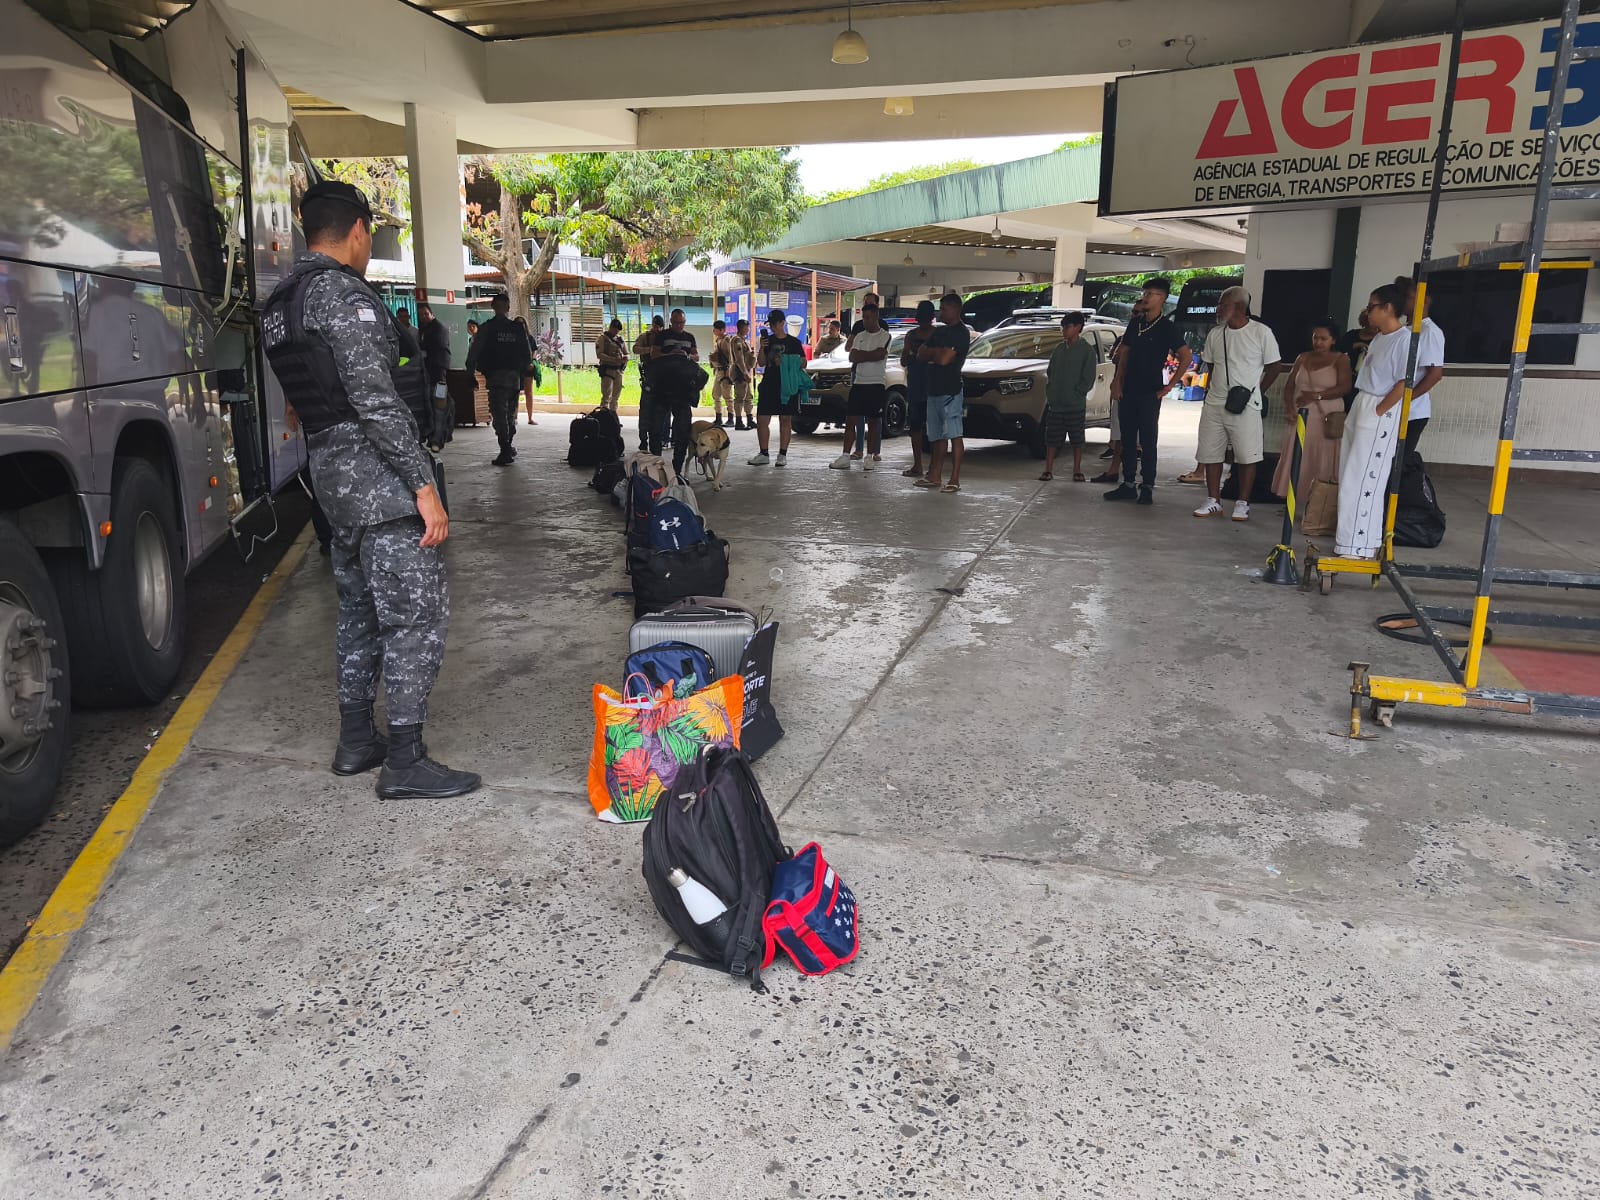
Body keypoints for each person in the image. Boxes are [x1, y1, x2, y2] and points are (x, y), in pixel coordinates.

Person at [260, 180, 477, 800]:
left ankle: (357, 739)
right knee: (414, 616)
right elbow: (376, 401)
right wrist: (423, 487)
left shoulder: (282, 301)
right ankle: (405, 760)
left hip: (332, 481)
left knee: (357, 609)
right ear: (357, 230)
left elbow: (302, 399)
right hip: (378, 480)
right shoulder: (340, 294)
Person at [1192, 286, 1282, 521]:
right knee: (1210, 452)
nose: (1218, 309)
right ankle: (1213, 500)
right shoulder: (1215, 334)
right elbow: (1211, 366)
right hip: (1215, 403)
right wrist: (1212, 391)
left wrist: (1257, 392)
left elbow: (1274, 366)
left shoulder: (1261, 332)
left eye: (1223, 304)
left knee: (1247, 455)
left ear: (1239, 307)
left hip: (1246, 405)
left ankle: (1243, 503)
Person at [1336, 285, 1412, 560]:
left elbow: (1404, 382)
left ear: (1388, 308)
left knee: (1366, 475)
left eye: (1372, 307)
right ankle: (1347, 541)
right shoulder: (1380, 337)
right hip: (1363, 401)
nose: (1368, 313)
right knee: (1349, 474)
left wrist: (1379, 411)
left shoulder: (1404, 339)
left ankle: (1361, 544)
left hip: (1379, 406)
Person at [1106, 277, 1192, 505]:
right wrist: (1117, 381)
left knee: (1147, 440)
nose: (1144, 298)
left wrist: (1169, 386)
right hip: (1128, 389)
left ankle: (1147, 486)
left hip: (1150, 391)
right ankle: (1128, 484)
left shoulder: (1167, 327)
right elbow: (1125, 352)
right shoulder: (1136, 323)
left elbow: (1186, 356)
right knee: (1126, 438)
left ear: (1162, 298)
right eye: (1144, 293)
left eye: (1150, 294)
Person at [1271, 318, 1351, 504]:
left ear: (1333, 340)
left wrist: (1317, 395)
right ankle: (1293, 500)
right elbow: (1289, 386)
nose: (1318, 342)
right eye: (1316, 338)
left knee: (1321, 456)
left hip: (1326, 416)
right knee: (1297, 455)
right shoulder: (1303, 357)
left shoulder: (1341, 359)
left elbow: (1345, 387)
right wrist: (1289, 408)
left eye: (1323, 339)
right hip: (1300, 414)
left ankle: (1317, 502)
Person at [464, 294, 531, 466]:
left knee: (499, 414)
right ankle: (508, 446)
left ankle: (505, 449)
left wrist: (470, 374)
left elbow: (474, 353)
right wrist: (521, 374)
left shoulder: (487, 328)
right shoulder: (517, 328)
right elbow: (527, 354)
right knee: (510, 414)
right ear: (508, 308)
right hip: (514, 378)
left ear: (492, 307)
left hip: (496, 378)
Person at [914, 293, 971, 494]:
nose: (941, 313)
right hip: (933, 390)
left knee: (954, 434)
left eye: (945, 309)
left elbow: (944, 359)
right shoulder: (939, 331)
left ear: (956, 309)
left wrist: (936, 353)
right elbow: (920, 353)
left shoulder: (961, 333)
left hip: (950, 391)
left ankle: (954, 479)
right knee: (936, 436)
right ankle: (934, 475)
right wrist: (937, 353)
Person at [832, 301, 891, 471]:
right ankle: (845, 456)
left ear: (876, 317)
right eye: (864, 317)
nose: (865, 321)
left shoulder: (885, 336)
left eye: (869, 317)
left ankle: (869, 456)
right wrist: (870, 355)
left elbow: (880, 354)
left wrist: (863, 355)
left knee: (873, 422)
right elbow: (852, 357)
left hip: (876, 384)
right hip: (859, 383)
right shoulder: (859, 336)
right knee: (850, 420)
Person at [1392, 275, 1447, 454]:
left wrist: (1405, 400)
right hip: (1393, 408)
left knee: (1401, 460)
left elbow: (1435, 374)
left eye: (1408, 297)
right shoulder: (1402, 330)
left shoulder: (1429, 331)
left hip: (1412, 412)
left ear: (1425, 299)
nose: (1404, 301)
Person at [1042, 311, 1096, 482]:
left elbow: (1088, 377)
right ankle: (1048, 469)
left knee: (1076, 439)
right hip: (1056, 404)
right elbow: (1051, 371)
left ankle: (1077, 470)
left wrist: (1077, 393)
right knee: (1051, 438)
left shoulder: (1086, 351)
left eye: (1067, 326)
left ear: (1078, 327)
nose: (1064, 330)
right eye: (1063, 327)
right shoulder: (1059, 349)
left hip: (1075, 404)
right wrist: (1051, 392)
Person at [749, 309, 806, 466]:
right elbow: (761, 363)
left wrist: (786, 360)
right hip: (769, 384)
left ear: (783, 323)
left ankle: (782, 454)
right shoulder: (768, 341)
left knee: (785, 419)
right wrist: (762, 348)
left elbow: (803, 363)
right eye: (771, 324)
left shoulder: (794, 343)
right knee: (762, 419)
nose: (773, 327)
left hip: (787, 384)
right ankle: (764, 453)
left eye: (776, 323)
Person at [651, 308, 701, 478]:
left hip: (683, 390)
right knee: (656, 428)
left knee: (683, 431)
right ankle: (656, 466)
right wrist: (669, 354)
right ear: (671, 322)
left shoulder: (689, 337)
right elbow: (654, 354)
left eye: (682, 322)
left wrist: (686, 355)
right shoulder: (662, 336)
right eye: (676, 322)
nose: (679, 325)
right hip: (663, 388)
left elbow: (696, 356)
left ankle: (677, 469)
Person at [900, 300, 936, 477]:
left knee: (931, 428)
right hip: (917, 387)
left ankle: (928, 467)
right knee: (918, 427)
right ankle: (920, 465)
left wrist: (915, 353)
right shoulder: (912, 335)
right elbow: (904, 360)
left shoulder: (936, 335)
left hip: (931, 387)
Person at [416, 302, 452, 451]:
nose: (424, 317)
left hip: (438, 373)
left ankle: (438, 438)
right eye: (421, 315)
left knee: (440, 405)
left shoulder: (438, 329)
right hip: (429, 373)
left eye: (426, 314)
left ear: (431, 313)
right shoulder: (424, 329)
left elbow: (436, 348)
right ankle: (434, 436)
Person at [1335, 306, 1377, 411]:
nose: (1375, 329)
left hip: (1367, 380)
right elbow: (1338, 351)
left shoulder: (1379, 339)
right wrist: (1356, 345)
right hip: (1347, 376)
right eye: (1372, 326)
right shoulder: (1351, 335)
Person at [634, 314, 665, 451]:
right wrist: (649, 349)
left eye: (660, 327)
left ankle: (663, 438)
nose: (657, 329)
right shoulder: (645, 337)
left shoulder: (665, 336)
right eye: (656, 326)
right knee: (645, 411)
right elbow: (635, 349)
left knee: (663, 411)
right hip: (648, 378)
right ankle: (643, 439)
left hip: (663, 379)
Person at [513, 315, 541, 426]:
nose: (520, 326)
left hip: (528, 368)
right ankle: (514, 417)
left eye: (522, 323)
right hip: (516, 368)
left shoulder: (529, 338)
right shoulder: (512, 338)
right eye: (518, 324)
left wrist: (532, 362)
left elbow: (534, 350)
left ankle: (530, 418)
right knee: (515, 392)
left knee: (528, 392)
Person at [729, 318, 756, 430]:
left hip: (746, 371)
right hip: (740, 372)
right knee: (740, 397)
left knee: (749, 396)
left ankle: (750, 419)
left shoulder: (744, 341)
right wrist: (744, 372)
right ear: (741, 328)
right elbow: (739, 358)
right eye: (746, 327)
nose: (748, 329)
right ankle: (739, 421)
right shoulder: (737, 340)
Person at [595, 318, 627, 412]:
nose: (616, 332)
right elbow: (599, 354)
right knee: (606, 396)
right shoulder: (603, 338)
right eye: (615, 329)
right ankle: (604, 416)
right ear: (611, 327)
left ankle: (613, 416)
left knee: (615, 397)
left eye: (618, 330)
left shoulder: (620, 339)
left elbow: (627, 352)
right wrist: (613, 359)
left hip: (619, 370)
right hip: (608, 370)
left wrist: (625, 357)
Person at [709, 319, 732, 427]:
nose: (714, 331)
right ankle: (718, 417)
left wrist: (728, 372)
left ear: (722, 330)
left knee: (727, 395)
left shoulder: (726, 340)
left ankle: (731, 418)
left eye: (716, 329)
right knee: (716, 394)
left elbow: (730, 358)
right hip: (718, 370)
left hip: (725, 370)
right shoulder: (718, 340)